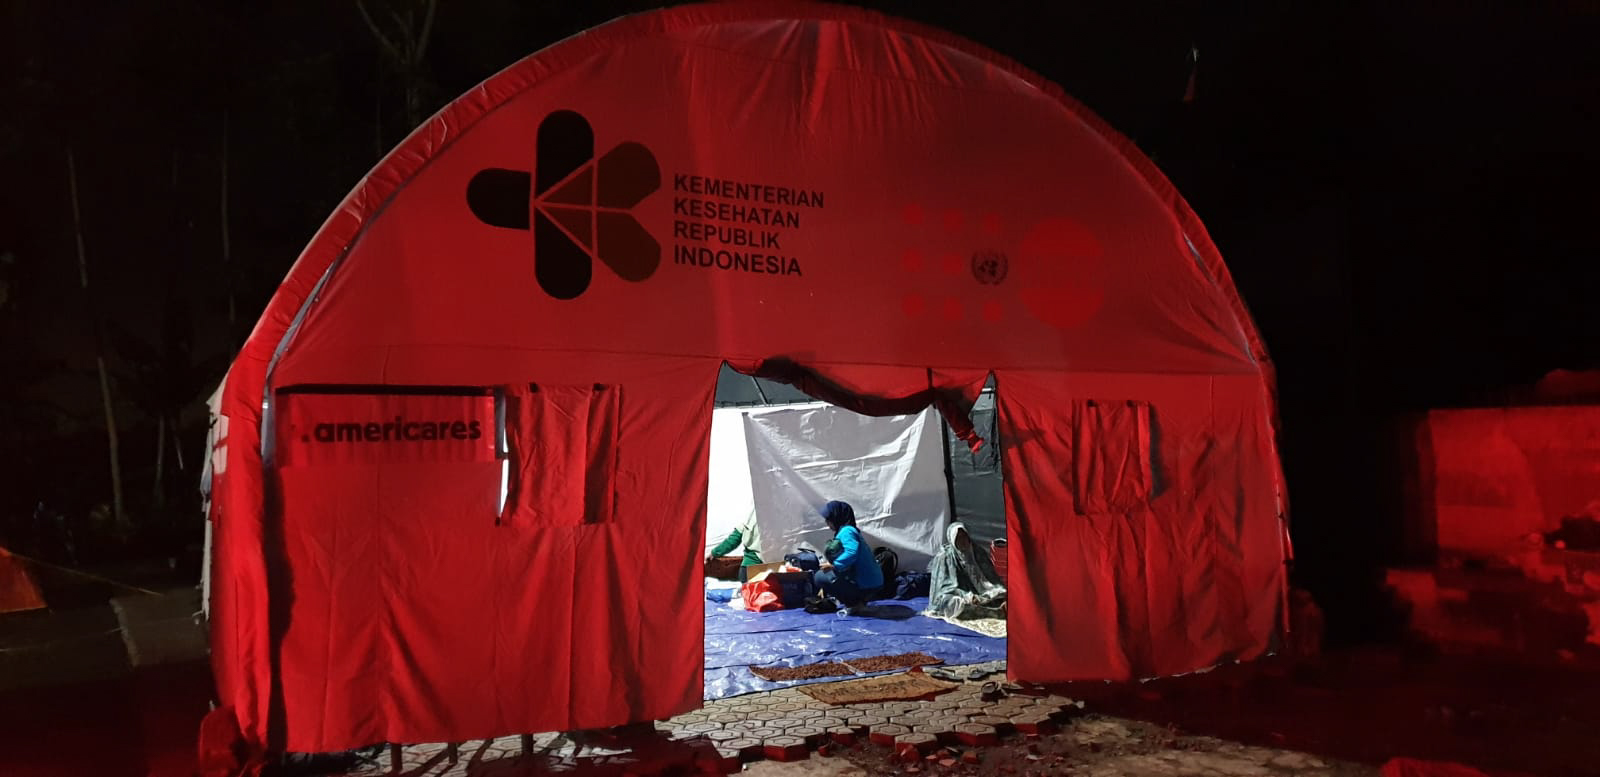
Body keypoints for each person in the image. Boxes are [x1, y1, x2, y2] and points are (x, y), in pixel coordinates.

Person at [925, 522, 1007, 623]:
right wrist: (967, 597)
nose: (962, 540)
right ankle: (994, 613)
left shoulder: (978, 552)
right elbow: (943, 590)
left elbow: (991, 579)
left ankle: (996, 609)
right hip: (960, 596)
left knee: (1003, 594)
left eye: (964, 536)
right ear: (952, 540)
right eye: (958, 537)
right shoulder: (945, 557)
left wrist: (992, 592)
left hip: (982, 595)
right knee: (952, 603)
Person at [812, 500, 884, 613]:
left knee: (820, 576)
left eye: (829, 519)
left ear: (836, 517)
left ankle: (855, 603)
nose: (827, 523)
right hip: (869, 581)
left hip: (867, 583)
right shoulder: (846, 531)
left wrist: (833, 565)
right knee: (827, 575)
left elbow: (851, 553)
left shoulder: (847, 531)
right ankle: (858, 600)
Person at [707, 508, 765, 582]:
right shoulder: (781, 519)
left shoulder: (752, 517)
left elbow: (733, 540)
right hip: (775, 570)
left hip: (750, 570)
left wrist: (714, 553)